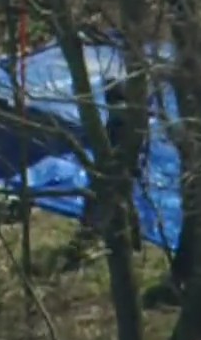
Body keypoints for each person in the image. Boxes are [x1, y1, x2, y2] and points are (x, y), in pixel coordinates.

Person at [61, 77, 143, 270]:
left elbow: (111, 145)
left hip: (110, 169)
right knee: (125, 202)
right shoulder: (134, 117)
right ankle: (135, 240)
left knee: (99, 205)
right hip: (125, 169)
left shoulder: (116, 119)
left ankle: (87, 238)